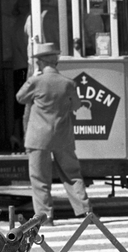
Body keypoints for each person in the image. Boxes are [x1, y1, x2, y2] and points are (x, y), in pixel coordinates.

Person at [16, 41, 91, 224]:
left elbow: (20, 98)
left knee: (40, 179)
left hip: (38, 138)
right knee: (72, 173)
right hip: (62, 136)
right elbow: (77, 106)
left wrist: (33, 78)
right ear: (56, 62)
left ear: (40, 63)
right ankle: (84, 211)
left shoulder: (35, 82)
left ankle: (46, 216)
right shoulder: (68, 83)